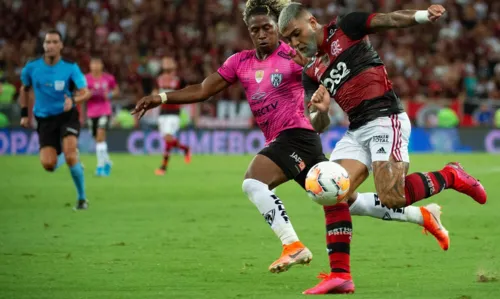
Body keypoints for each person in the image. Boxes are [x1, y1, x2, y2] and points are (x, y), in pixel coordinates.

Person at [132, 0, 450, 277]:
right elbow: (203, 90)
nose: (261, 34)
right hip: (296, 141)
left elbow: (319, 47)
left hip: (297, 134)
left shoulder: (295, 54)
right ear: (248, 30)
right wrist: (161, 97)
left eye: (267, 27)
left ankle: (293, 245)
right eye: (255, 29)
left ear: (277, 27)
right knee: (345, 200)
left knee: (253, 182)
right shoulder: (239, 62)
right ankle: (421, 215)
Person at [279, 3, 487, 294]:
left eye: (295, 33)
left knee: (393, 197)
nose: (294, 42)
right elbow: (318, 123)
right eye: (287, 39)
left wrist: (423, 16)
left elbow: (389, 19)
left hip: (384, 118)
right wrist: (322, 110)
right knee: (332, 190)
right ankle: (340, 275)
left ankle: (451, 175)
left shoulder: (346, 27)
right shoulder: (311, 72)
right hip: (356, 130)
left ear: (312, 22)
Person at [20, 29, 91, 210]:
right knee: (49, 164)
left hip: (67, 116)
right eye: (47, 42)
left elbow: (86, 92)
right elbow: (24, 89)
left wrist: (73, 100)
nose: (50, 45)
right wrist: (23, 115)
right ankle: (72, 158)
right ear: (43, 45)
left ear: (61, 46)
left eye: (54, 42)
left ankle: (82, 199)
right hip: (45, 119)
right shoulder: (32, 67)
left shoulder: (70, 67)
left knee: (69, 153)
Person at [154, 56, 191, 176]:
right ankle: (185, 148)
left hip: (174, 112)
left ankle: (163, 167)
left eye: (169, 61)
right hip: (162, 112)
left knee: (168, 137)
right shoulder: (158, 79)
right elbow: (155, 92)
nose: (167, 63)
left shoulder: (179, 80)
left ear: (174, 65)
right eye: (165, 62)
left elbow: (186, 92)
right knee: (167, 139)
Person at [85, 56, 119, 177]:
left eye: (97, 64)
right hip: (91, 113)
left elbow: (116, 90)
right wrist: (87, 94)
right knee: (98, 140)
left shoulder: (108, 78)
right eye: (93, 64)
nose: (95, 66)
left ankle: (100, 167)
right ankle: (107, 161)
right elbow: (81, 93)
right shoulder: (86, 79)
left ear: (101, 65)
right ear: (90, 66)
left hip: (105, 111)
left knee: (100, 135)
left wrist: (109, 94)